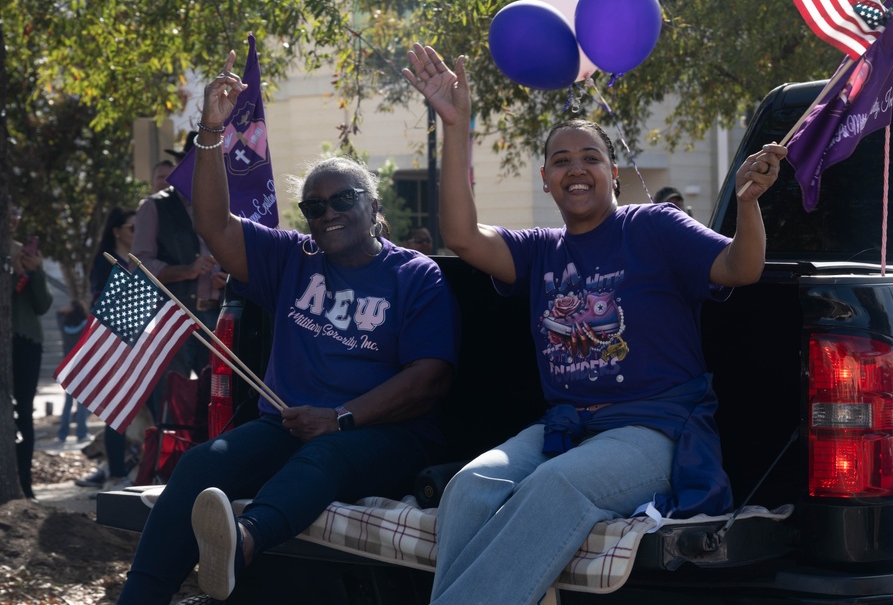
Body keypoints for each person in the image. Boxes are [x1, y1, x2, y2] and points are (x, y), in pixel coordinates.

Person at [404, 43, 787, 605]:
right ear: (545, 179)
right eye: (561, 160)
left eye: (590, 156)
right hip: (565, 427)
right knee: (470, 487)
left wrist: (750, 204)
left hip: (655, 431)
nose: (576, 168)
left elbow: (741, 266)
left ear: (611, 171)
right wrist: (456, 125)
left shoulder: (653, 227)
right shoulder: (539, 251)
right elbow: (462, 237)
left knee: (553, 487)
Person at [116, 49, 461, 605]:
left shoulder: (414, 275)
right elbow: (213, 223)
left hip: (383, 435)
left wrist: (340, 418)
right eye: (314, 207)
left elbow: (429, 381)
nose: (327, 214)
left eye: (343, 201)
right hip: (292, 422)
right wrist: (211, 130)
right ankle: (139, 598)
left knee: (322, 457)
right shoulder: (293, 258)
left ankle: (240, 546)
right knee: (205, 461)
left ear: (373, 207)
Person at [133, 131, 224, 389]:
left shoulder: (224, 205)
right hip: (174, 318)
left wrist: (228, 276)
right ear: (185, 165)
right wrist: (186, 271)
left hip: (218, 318)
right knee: (172, 400)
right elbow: (138, 264)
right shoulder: (154, 207)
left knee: (219, 399)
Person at [74, 207, 138, 491]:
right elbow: (99, 305)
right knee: (118, 411)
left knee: (145, 409)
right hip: (114, 344)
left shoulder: (141, 260)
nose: (137, 234)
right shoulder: (104, 263)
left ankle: (129, 467)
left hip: (142, 344)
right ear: (117, 231)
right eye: (132, 229)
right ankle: (115, 473)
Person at [9, 206, 54, 500]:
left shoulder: (21, 251)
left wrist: (34, 272)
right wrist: (15, 276)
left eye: (16, 211)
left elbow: (43, 304)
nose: (13, 217)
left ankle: (24, 483)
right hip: (7, 340)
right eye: (8, 211)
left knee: (24, 413)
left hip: (27, 341)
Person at [56, 300, 91, 444]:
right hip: (82, 366)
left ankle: (62, 434)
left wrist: (66, 309)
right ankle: (81, 433)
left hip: (68, 367)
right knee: (82, 403)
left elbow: (57, 313)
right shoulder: (86, 326)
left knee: (68, 402)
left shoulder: (64, 325)